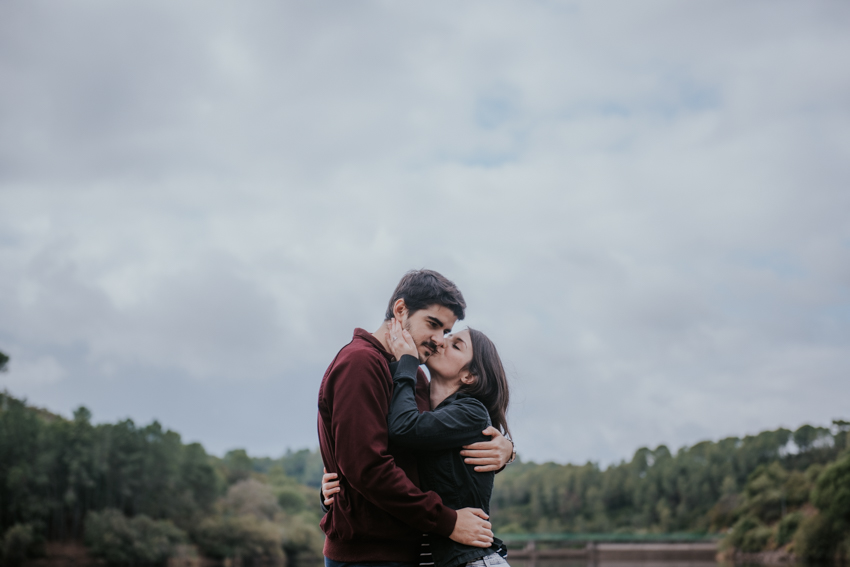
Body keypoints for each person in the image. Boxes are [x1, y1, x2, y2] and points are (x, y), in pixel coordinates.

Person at [317, 270, 514, 567]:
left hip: (408, 553)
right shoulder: (361, 363)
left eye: (446, 332)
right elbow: (366, 468)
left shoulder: (413, 378)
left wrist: (507, 449)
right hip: (367, 555)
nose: (438, 340)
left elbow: (436, 452)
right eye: (433, 325)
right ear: (400, 310)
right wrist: (448, 521)